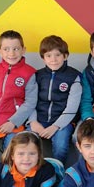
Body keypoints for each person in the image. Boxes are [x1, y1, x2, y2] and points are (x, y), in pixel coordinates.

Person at [0, 30, 38, 151]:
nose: (11, 53)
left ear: (23, 50)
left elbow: (30, 102)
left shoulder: (29, 73)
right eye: (6, 49)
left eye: (16, 49)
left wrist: (13, 122)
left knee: (11, 151)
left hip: (14, 126)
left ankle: (6, 169)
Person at [28, 35, 81, 163]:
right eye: (48, 55)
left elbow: (72, 108)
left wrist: (56, 126)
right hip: (38, 120)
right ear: (43, 58)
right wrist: (33, 122)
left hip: (62, 122)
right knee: (26, 143)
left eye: (57, 55)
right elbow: (30, 102)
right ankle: (32, 176)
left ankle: (58, 174)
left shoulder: (74, 76)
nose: (53, 59)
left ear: (65, 56)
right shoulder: (37, 76)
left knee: (61, 146)